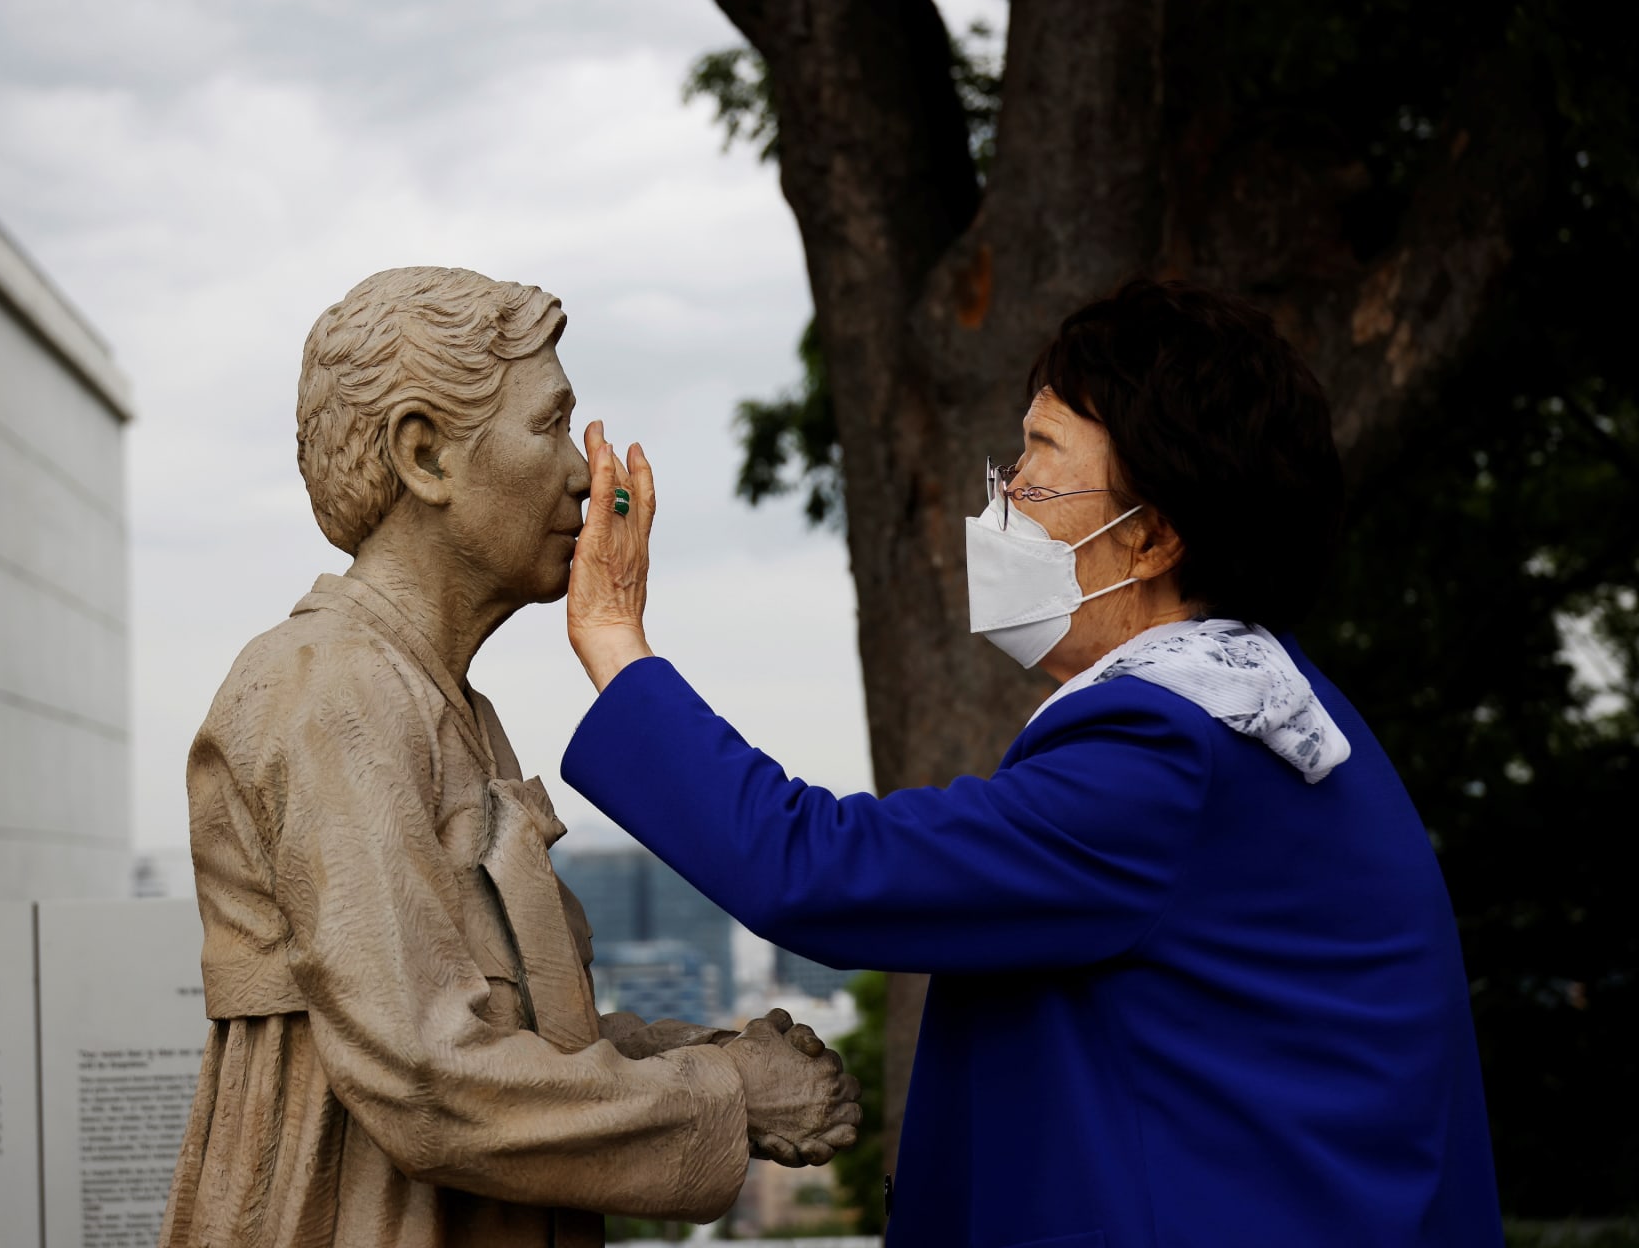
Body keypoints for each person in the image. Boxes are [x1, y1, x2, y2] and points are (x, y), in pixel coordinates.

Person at [560, 279, 1503, 1247]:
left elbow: (818, 870)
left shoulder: (1170, 747)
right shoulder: (1261, 705)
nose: (1003, 497)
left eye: (1038, 466)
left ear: (1152, 534)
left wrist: (612, 635)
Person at [157, 266, 858, 1248]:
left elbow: (514, 1042)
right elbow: (431, 1078)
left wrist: (701, 1051)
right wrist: (726, 1092)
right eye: (549, 426)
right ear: (425, 452)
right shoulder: (326, 686)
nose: (582, 471)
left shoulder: (452, 707)